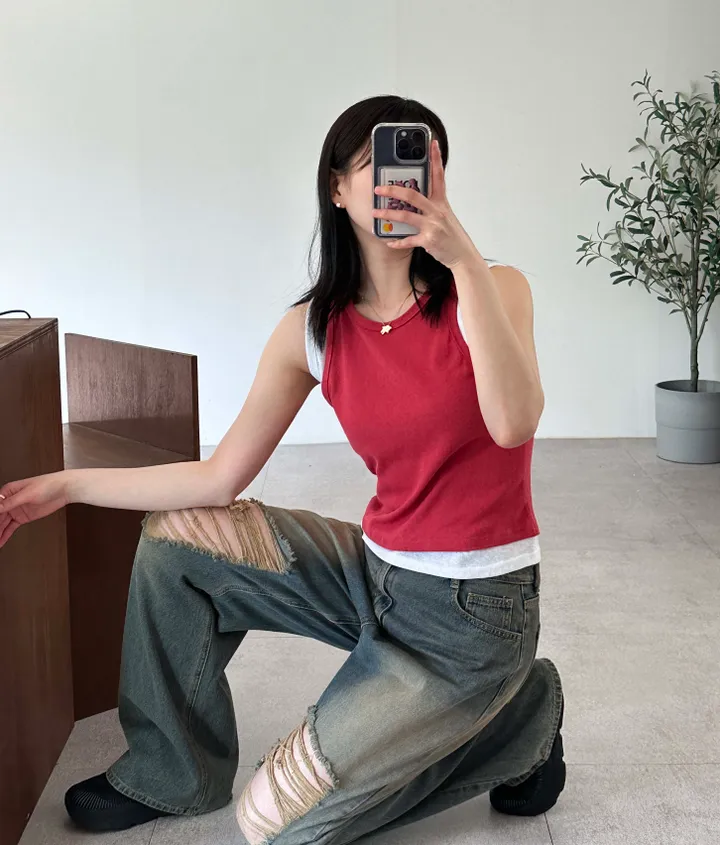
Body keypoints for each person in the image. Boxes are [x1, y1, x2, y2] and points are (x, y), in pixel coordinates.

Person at [0, 95, 565, 843]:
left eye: (422, 166)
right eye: (376, 165)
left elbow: (514, 422)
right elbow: (217, 478)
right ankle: (174, 771)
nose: (400, 184)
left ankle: (520, 720)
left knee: (273, 822)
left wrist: (463, 260)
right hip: (376, 574)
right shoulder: (314, 330)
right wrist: (65, 487)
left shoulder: (494, 289)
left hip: (475, 612)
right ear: (338, 188)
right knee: (176, 540)